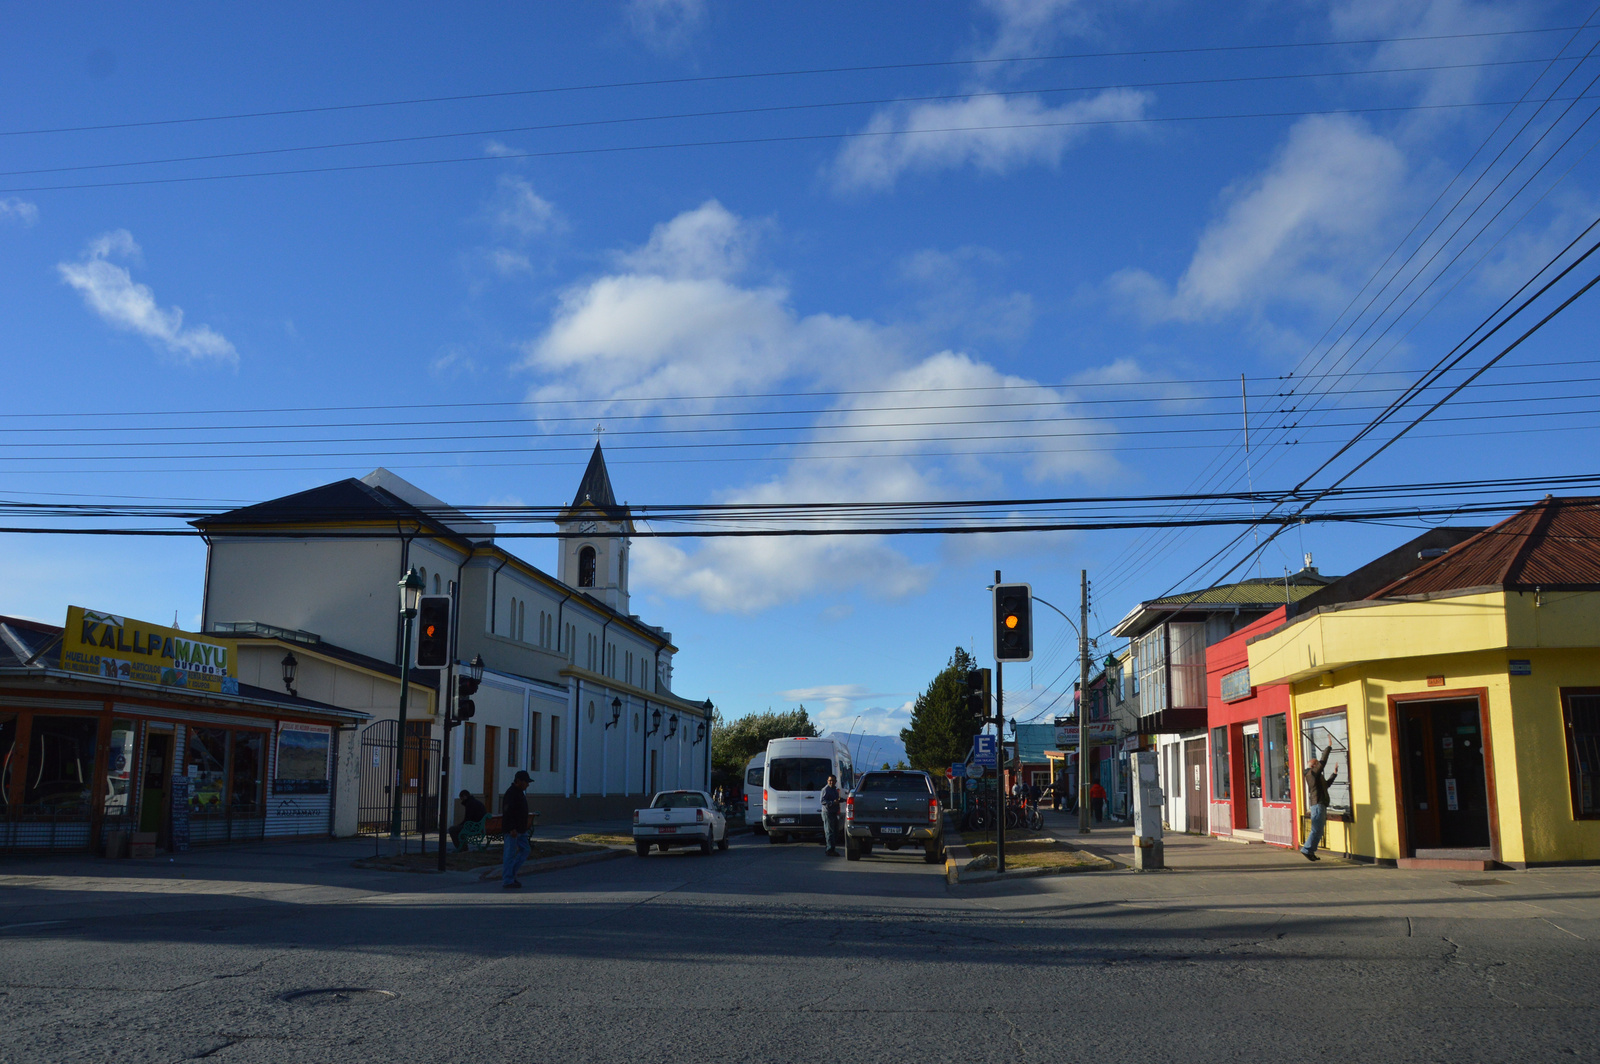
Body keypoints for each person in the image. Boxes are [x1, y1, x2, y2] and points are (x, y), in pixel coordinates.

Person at [1300, 745, 1339, 862]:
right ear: (1313, 766)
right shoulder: (1311, 774)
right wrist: (1329, 747)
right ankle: (1307, 850)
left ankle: (1310, 851)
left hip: (1320, 804)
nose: (1319, 766)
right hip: (1317, 804)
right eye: (1317, 764)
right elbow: (1323, 762)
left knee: (1319, 830)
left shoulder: (1315, 777)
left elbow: (1326, 785)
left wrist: (1334, 774)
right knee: (1316, 829)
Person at [501, 770, 533, 888]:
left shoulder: (520, 793)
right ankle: (508, 879)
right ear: (518, 781)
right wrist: (511, 828)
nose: (527, 785)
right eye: (526, 782)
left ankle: (511, 873)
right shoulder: (511, 793)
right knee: (509, 854)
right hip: (513, 831)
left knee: (525, 850)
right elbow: (507, 812)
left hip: (521, 829)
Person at [819, 773, 844, 856]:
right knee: (829, 832)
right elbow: (822, 801)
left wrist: (843, 800)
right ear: (827, 781)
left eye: (833, 781)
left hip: (834, 812)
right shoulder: (825, 790)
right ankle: (830, 850)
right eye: (830, 780)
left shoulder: (834, 789)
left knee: (835, 831)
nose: (831, 782)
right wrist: (832, 802)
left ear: (835, 781)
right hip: (827, 813)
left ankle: (831, 848)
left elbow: (836, 799)